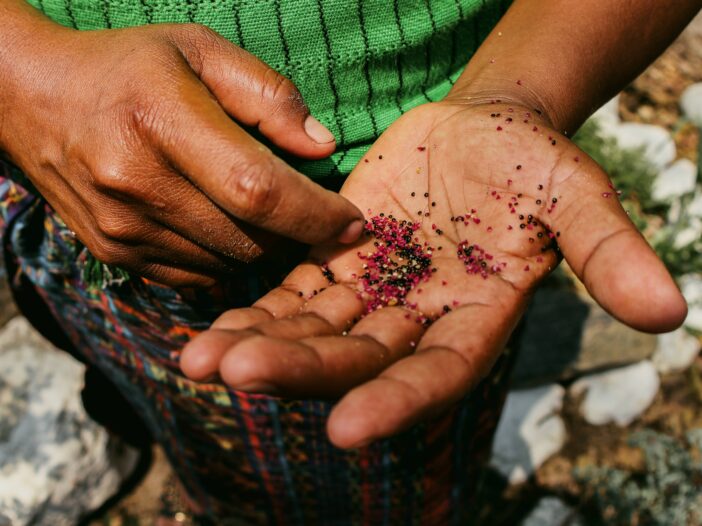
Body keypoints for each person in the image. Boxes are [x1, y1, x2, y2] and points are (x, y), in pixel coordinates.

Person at [0, 0, 696, 524]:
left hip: (418, 184)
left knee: (378, 470)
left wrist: (517, 96)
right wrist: (21, 74)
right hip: (75, 166)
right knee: (189, 420)